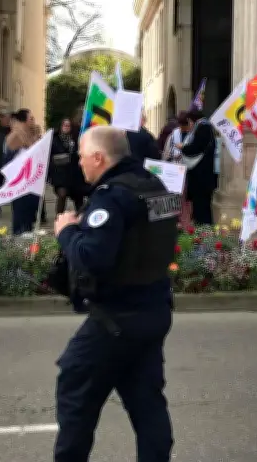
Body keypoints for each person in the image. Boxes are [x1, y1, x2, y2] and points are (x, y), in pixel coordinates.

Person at [52, 126, 179, 462]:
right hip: (153, 309)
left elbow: (93, 257)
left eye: (82, 157)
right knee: (147, 403)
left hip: (116, 318)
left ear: (99, 157)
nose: (79, 163)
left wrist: (67, 232)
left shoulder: (113, 196)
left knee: (75, 393)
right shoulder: (154, 186)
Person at [174, 110, 216, 226]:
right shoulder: (204, 127)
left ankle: (203, 232)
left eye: (189, 122)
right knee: (200, 204)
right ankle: (201, 230)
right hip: (202, 174)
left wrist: (183, 147)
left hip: (201, 175)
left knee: (201, 205)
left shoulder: (203, 128)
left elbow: (196, 148)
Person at [5, 109, 41, 234]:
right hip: (20, 181)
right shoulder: (16, 135)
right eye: (31, 118)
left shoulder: (30, 133)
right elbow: (11, 159)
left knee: (30, 210)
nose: (34, 121)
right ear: (24, 120)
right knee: (21, 211)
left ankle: (27, 232)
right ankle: (19, 235)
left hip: (31, 180)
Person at [51, 119, 85, 215]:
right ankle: (58, 218)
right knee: (62, 194)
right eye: (64, 125)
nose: (66, 127)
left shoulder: (75, 138)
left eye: (68, 125)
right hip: (60, 174)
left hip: (74, 174)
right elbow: (51, 156)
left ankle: (81, 218)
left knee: (79, 197)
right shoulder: (55, 139)